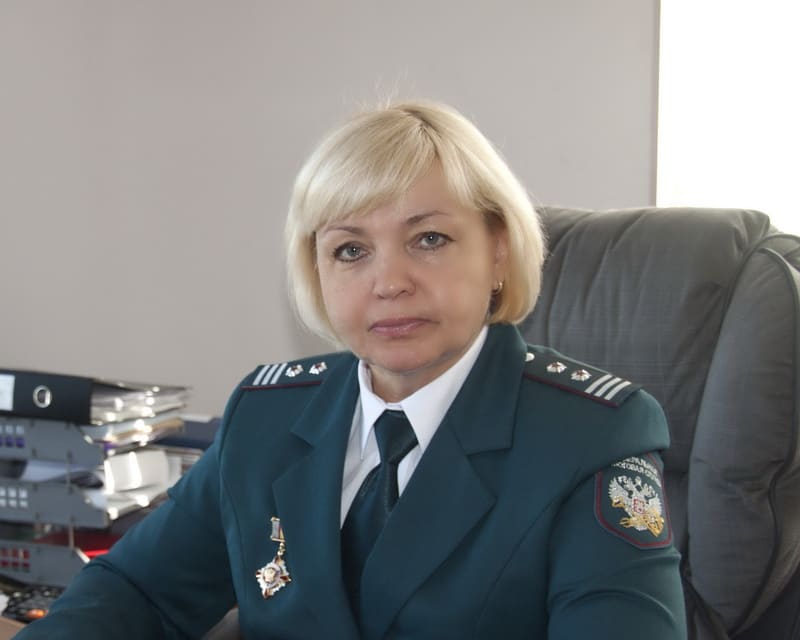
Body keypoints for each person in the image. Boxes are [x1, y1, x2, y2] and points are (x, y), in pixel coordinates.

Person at [15, 100, 687, 639]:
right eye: (350, 250)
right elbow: (137, 590)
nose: (388, 282)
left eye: (429, 239)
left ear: (499, 251)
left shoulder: (590, 437)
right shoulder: (268, 415)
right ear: (315, 270)